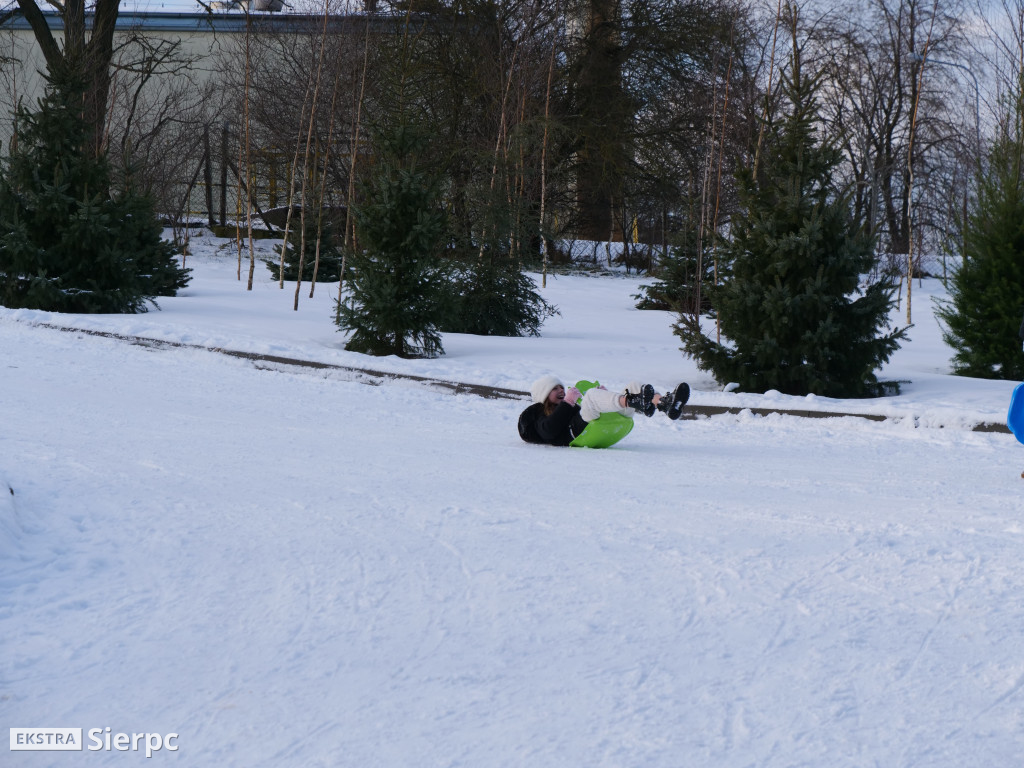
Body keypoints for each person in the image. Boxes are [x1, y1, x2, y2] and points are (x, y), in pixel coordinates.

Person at [518, 375, 689, 446]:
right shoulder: (539, 412)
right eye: (554, 389)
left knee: (634, 385)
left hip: (596, 425)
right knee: (592, 395)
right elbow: (548, 431)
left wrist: (605, 396)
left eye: (561, 387)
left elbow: (587, 411)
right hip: (577, 433)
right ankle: (634, 402)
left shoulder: (570, 405)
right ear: (544, 395)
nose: (561, 391)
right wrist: (568, 402)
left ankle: (665, 404)